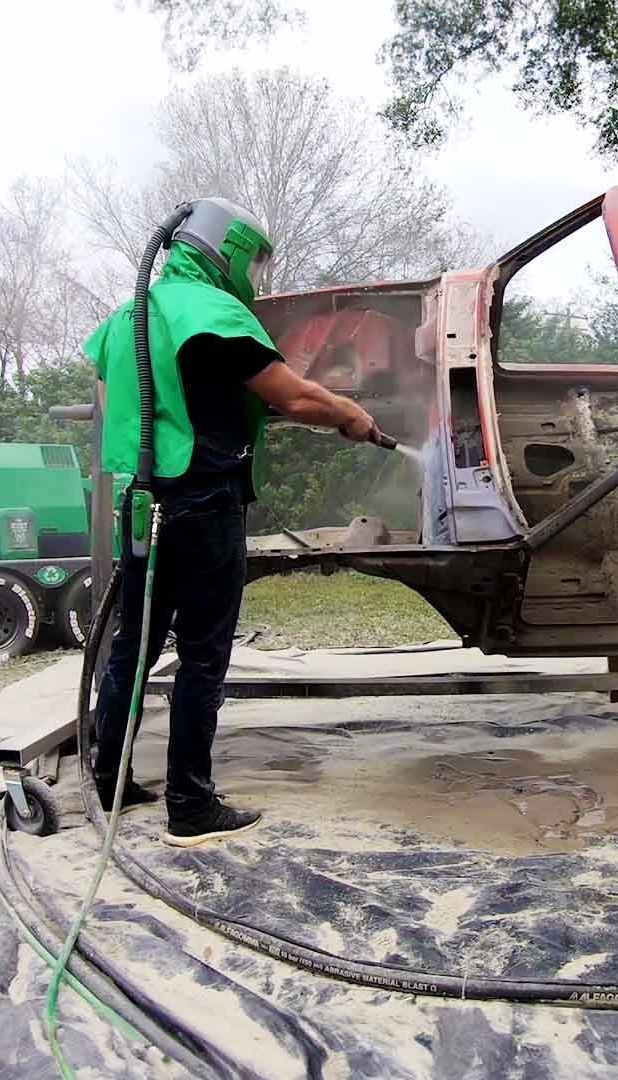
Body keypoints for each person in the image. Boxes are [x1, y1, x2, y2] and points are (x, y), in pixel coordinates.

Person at [83, 197, 379, 846]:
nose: (259, 278)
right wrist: (349, 415)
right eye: (257, 262)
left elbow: (119, 398)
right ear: (230, 251)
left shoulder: (123, 321)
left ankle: (105, 782)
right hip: (200, 508)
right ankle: (190, 806)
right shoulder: (213, 310)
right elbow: (293, 395)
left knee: (131, 648)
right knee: (201, 657)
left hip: (140, 509)